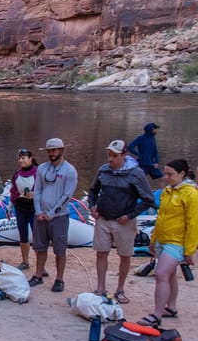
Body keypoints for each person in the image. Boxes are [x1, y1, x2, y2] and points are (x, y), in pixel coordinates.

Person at [88, 140, 155, 304]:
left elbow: (148, 199)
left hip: (124, 221)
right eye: (109, 155)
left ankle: (120, 289)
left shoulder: (135, 173)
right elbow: (93, 190)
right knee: (101, 252)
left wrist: (130, 215)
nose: (110, 159)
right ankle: (100, 288)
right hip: (103, 218)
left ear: (124, 155)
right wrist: (92, 206)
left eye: (114, 156)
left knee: (124, 255)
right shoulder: (104, 170)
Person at [137, 159, 198, 327]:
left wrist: (189, 250)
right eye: (166, 173)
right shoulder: (167, 192)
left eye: (170, 174)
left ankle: (157, 314)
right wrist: (153, 239)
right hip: (163, 239)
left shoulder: (191, 194)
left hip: (176, 242)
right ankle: (171, 307)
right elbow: (161, 217)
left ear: (182, 174)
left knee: (161, 274)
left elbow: (193, 224)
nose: (166, 177)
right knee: (170, 275)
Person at [30, 138, 78, 293]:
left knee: (60, 249)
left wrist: (52, 213)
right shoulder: (42, 169)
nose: (52, 153)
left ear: (61, 150)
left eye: (54, 150)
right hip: (41, 215)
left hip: (59, 217)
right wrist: (38, 211)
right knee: (40, 247)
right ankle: (38, 274)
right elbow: (37, 190)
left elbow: (66, 196)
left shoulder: (69, 171)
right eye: (49, 150)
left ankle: (59, 279)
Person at [9, 149, 39, 269]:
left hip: (34, 208)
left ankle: (40, 265)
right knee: (23, 235)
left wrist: (34, 195)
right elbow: (13, 191)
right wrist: (9, 207)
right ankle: (25, 261)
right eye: (20, 158)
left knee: (37, 236)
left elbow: (44, 190)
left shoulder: (38, 173)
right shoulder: (17, 174)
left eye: (24, 158)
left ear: (31, 159)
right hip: (20, 207)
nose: (21, 160)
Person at [128, 123, 163, 187]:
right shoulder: (141, 138)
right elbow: (130, 147)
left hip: (152, 164)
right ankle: (139, 193)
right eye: (155, 129)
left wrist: (156, 162)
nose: (156, 131)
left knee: (161, 178)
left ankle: (162, 192)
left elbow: (155, 151)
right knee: (139, 181)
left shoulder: (153, 138)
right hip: (142, 164)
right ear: (151, 129)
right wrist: (139, 155)